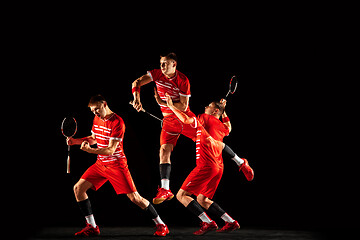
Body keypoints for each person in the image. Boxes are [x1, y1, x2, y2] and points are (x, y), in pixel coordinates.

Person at [67, 94, 169, 237]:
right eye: (92, 111)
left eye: (96, 109)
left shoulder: (117, 122)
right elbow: (93, 139)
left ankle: (161, 224)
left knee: (136, 198)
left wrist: (90, 151)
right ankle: (92, 226)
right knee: (78, 189)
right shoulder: (97, 118)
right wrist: (75, 141)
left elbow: (110, 150)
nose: (95, 113)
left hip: (117, 165)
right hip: (101, 164)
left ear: (104, 104)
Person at [164, 93, 254, 235]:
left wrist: (170, 107)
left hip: (206, 165)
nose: (205, 107)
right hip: (218, 167)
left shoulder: (205, 118)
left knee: (181, 195)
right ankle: (230, 222)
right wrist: (224, 110)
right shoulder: (221, 127)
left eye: (209, 106)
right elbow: (229, 127)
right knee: (202, 199)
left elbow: (187, 119)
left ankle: (207, 222)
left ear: (215, 111)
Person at [131, 52, 197, 204]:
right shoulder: (156, 74)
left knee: (209, 142)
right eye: (161, 63)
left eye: (165, 63)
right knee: (164, 150)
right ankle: (166, 189)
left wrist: (166, 103)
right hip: (168, 120)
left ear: (174, 64)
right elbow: (136, 82)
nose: (162, 66)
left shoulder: (183, 80)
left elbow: (184, 105)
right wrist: (137, 99)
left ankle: (240, 162)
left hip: (183, 118)